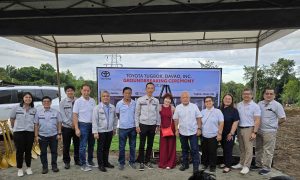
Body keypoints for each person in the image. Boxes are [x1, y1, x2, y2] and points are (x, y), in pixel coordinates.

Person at [256, 88, 286, 175]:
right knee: (258, 148)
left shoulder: (277, 105)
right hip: (259, 130)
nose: (269, 95)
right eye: (267, 93)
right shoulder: (260, 104)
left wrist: (275, 125)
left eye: (271, 94)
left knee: (268, 150)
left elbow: (283, 118)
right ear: (263, 95)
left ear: (274, 95)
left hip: (270, 131)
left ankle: (266, 168)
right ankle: (258, 164)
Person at [232, 88, 261, 174]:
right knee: (241, 147)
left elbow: (257, 120)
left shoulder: (255, 106)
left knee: (248, 148)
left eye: (248, 94)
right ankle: (241, 163)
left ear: (251, 95)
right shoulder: (239, 105)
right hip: (239, 128)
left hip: (249, 128)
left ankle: (246, 166)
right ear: (242, 95)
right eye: (244, 94)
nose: (246, 95)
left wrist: (254, 132)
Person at [173, 91, 202, 173]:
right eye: (183, 97)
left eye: (187, 97)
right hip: (182, 132)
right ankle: (185, 164)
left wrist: (199, 129)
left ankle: (196, 167)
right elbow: (176, 119)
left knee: (194, 150)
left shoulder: (194, 106)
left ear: (189, 98)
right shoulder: (178, 107)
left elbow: (199, 117)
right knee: (184, 149)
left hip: (193, 132)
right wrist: (176, 129)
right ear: (181, 99)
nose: (185, 99)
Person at [135, 82, 160, 171]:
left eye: (151, 88)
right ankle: (141, 161)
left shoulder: (156, 101)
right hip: (143, 125)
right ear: (146, 89)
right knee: (142, 144)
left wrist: (158, 125)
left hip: (152, 125)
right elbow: (137, 113)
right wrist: (137, 125)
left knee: (150, 144)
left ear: (153, 89)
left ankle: (147, 161)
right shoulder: (140, 100)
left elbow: (157, 114)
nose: (150, 89)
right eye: (148, 88)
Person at [10, 92, 36, 177]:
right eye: (26, 97)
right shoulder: (16, 108)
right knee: (19, 151)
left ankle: (28, 167)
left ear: (31, 99)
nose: (28, 99)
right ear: (23, 98)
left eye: (30, 97)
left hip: (29, 132)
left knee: (28, 151)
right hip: (18, 132)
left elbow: (35, 122)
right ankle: (20, 169)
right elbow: (12, 118)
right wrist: (14, 128)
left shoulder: (33, 109)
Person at [34, 96, 62, 174]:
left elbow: (59, 123)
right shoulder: (38, 112)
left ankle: (54, 166)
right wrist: (36, 136)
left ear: (51, 102)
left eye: (48, 101)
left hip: (53, 135)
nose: (46, 103)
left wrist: (59, 133)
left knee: (54, 152)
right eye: (44, 101)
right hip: (42, 136)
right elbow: (36, 124)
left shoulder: (56, 112)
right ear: (42, 103)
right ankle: (45, 167)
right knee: (43, 153)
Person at [73, 84, 97, 171]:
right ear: (81, 91)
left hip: (92, 125)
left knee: (91, 144)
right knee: (83, 146)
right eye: (84, 90)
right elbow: (75, 115)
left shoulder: (93, 101)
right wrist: (76, 128)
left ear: (90, 91)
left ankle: (90, 161)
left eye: (88, 90)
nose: (86, 92)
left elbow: (95, 114)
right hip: (83, 125)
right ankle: (83, 164)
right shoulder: (78, 101)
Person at [92, 91, 118, 172]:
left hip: (109, 131)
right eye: (104, 96)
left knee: (107, 148)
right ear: (101, 97)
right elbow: (94, 120)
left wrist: (114, 129)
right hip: (101, 131)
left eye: (107, 96)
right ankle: (101, 164)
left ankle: (106, 162)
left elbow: (115, 119)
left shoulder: (112, 107)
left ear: (109, 97)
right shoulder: (97, 108)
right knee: (100, 149)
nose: (106, 97)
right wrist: (95, 132)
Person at [201, 96, 224, 173]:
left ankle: (212, 166)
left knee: (212, 152)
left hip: (214, 135)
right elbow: (200, 123)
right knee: (204, 151)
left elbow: (221, 123)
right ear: (205, 103)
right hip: (204, 135)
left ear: (213, 102)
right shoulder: (202, 112)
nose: (208, 102)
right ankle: (204, 164)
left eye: (209, 101)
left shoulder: (218, 111)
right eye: (206, 101)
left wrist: (219, 134)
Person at [116, 87, 137, 170]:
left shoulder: (134, 103)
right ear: (123, 93)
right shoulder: (119, 104)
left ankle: (132, 162)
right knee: (121, 147)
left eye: (129, 93)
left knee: (132, 146)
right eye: (126, 93)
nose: (127, 95)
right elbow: (118, 115)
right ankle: (121, 162)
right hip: (122, 128)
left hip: (132, 128)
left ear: (131, 94)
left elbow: (136, 114)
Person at [60, 85, 80, 169]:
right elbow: (62, 115)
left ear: (74, 91)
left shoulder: (78, 101)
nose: (70, 92)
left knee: (77, 144)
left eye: (71, 90)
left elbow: (81, 113)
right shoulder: (62, 102)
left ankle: (77, 160)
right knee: (66, 145)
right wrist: (70, 124)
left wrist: (76, 125)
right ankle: (66, 162)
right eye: (68, 91)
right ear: (65, 92)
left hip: (77, 127)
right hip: (66, 127)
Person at [219, 94, 240, 173]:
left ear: (231, 101)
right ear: (223, 99)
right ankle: (225, 162)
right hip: (221, 133)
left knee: (228, 149)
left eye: (229, 99)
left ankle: (228, 166)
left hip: (229, 133)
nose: (227, 100)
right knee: (224, 148)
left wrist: (231, 133)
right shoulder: (219, 109)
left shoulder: (234, 110)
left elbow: (236, 122)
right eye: (226, 98)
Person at [158, 93, 176, 169]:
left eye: (169, 99)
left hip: (171, 129)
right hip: (162, 129)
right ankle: (163, 163)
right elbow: (157, 118)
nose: (167, 100)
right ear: (164, 99)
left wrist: (176, 129)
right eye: (166, 98)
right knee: (163, 146)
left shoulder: (173, 108)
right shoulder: (159, 107)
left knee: (171, 146)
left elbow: (176, 119)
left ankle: (170, 163)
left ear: (171, 100)